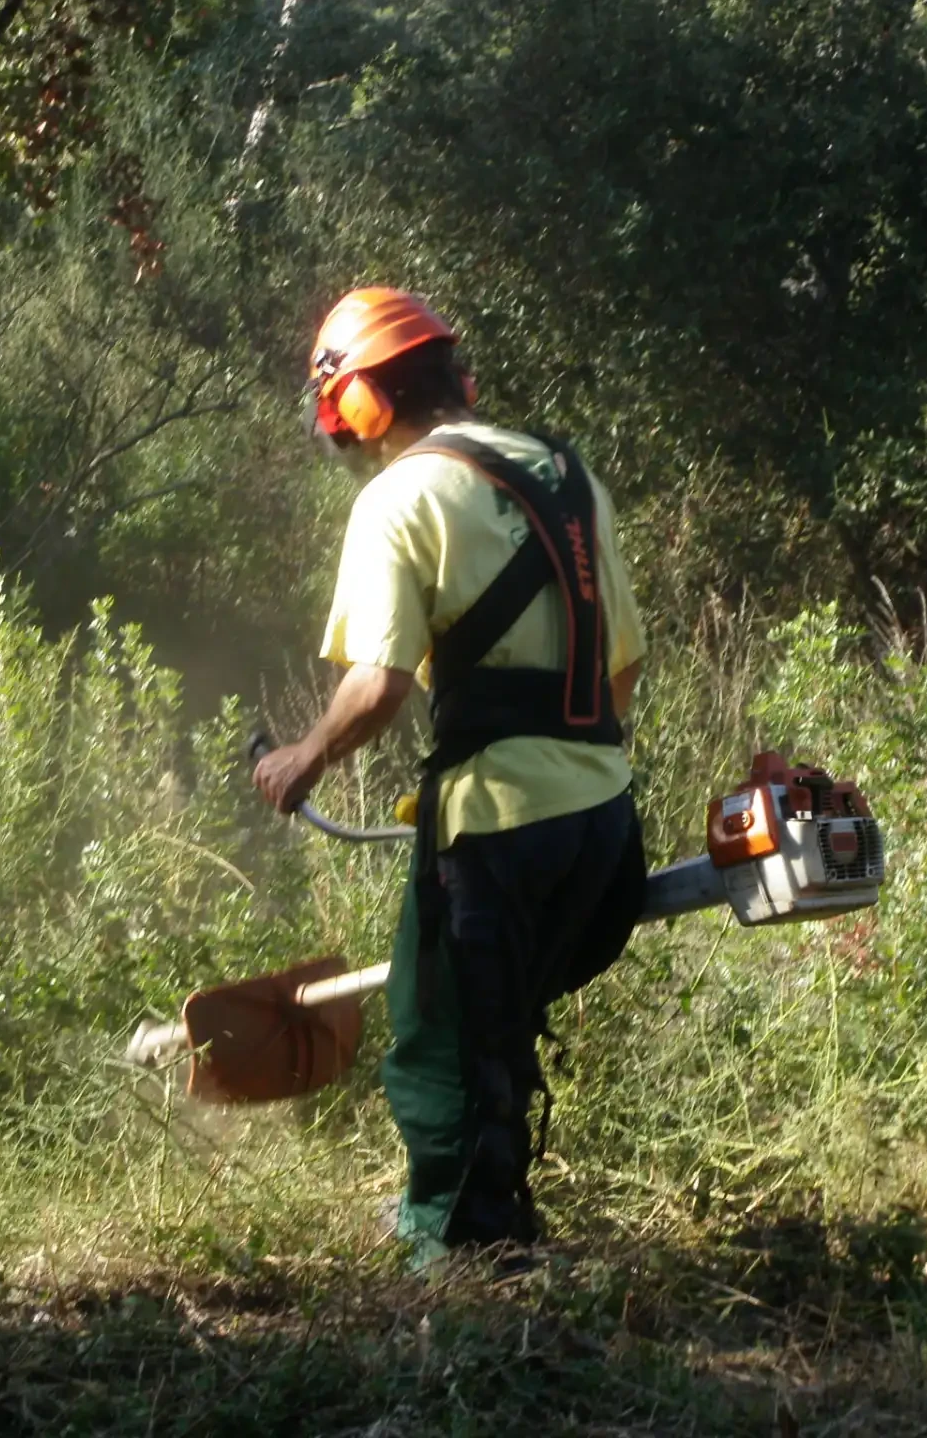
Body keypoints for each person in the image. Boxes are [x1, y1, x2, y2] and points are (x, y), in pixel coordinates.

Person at [252, 287, 648, 1271]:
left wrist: (302, 758)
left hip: (496, 827)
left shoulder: (398, 497)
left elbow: (379, 685)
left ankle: (463, 1251)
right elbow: (624, 667)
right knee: (492, 1024)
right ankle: (486, 1216)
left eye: (338, 408)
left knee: (439, 1033)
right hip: (607, 829)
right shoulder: (566, 475)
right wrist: (566, 763)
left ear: (361, 403)